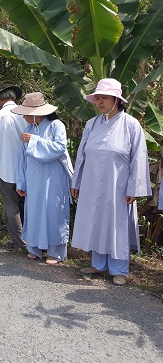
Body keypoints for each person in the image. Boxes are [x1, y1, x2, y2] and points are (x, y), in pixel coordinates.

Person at [71, 78, 151, 286]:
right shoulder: (92, 124)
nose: (99, 102)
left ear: (117, 99)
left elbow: (138, 158)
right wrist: (76, 182)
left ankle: (119, 269)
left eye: (104, 98)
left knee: (116, 225)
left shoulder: (131, 125)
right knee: (96, 220)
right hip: (91, 182)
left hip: (118, 185)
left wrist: (134, 187)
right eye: (97, 98)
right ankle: (98, 264)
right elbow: (82, 155)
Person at [12, 92, 73, 264]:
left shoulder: (56, 126)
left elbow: (59, 148)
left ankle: (56, 253)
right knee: (34, 211)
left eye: (25, 112)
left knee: (53, 211)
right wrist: (21, 182)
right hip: (33, 178)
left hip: (54, 178)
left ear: (36, 113)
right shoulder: (28, 130)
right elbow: (22, 159)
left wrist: (34, 140)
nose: (23, 116)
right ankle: (34, 248)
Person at [0, 81, 27, 249]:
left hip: (7, 169)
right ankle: (30, 241)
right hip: (27, 169)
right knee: (24, 204)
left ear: (0, 99)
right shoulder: (26, 114)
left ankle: (20, 243)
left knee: (11, 205)